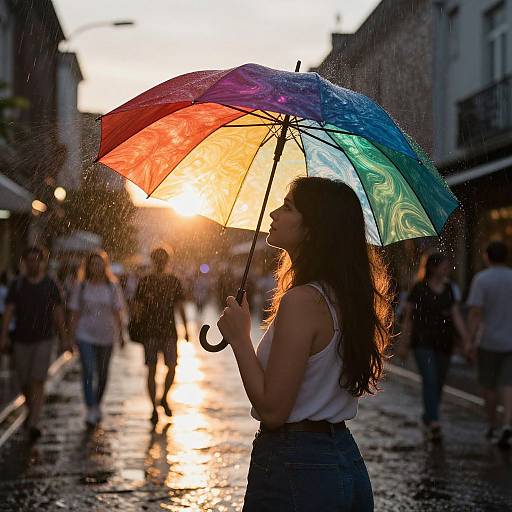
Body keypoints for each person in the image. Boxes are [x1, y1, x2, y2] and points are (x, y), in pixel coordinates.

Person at [216, 177, 392, 511]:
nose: (273, 213)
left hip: (297, 466)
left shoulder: (302, 301)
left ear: (313, 228)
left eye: (288, 207)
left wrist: (240, 340)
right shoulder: (345, 298)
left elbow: (272, 411)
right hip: (343, 460)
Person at [397, 252, 470, 442]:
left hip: (444, 343)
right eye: (445, 265)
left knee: (438, 382)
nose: (448, 268)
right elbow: (408, 320)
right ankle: (434, 422)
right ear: (433, 267)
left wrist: (466, 339)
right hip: (422, 343)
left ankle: (428, 417)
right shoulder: (419, 288)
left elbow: (455, 316)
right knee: (429, 379)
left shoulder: (449, 289)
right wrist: (403, 343)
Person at [0, 246, 68, 440]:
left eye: (36, 260)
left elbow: (57, 312)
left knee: (37, 379)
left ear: (42, 262)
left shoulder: (50, 284)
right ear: (24, 262)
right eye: (29, 260)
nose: (33, 263)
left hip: (43, 339)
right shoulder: (17, 285)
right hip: (21, 339)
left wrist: (64, 337)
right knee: (23, 380)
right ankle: (31, 409)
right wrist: (3, 336)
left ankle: (34, 422)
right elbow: (9, 311)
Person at [68, 250, 127, 427]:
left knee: (102, 374)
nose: (96, 267)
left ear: (105, 266)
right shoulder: (82, 286)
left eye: (100, 264)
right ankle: (91, 407)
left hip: (107, 336)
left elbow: (118, 312)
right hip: (84, 334)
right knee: (88, 370)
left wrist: (122, 334)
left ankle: (97, 403)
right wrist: (70, 336)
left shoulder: (112, 286)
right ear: (88, 266)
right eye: (93, 264)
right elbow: (75, 312)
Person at [132, 247, 189, 425]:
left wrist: (186, 328)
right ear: (153, 260)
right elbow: (137, 307)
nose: (160, 262)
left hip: (169, 331)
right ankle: (154, 408)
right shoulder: (145, 281)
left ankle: (163, 398)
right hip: (150, 332)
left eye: (162, 259)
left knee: (171, 367)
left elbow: (180, 305)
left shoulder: (174, 281)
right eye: (158, 259)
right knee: (152, 369)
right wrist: (134, 326)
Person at [467, 240, 512, 448]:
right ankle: (507, 424)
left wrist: (470, 340)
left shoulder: (482, 279)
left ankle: (493, 424)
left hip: (489, 341)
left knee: (489, 385)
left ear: (487, 256)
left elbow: (475, 312)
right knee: (508, 384)